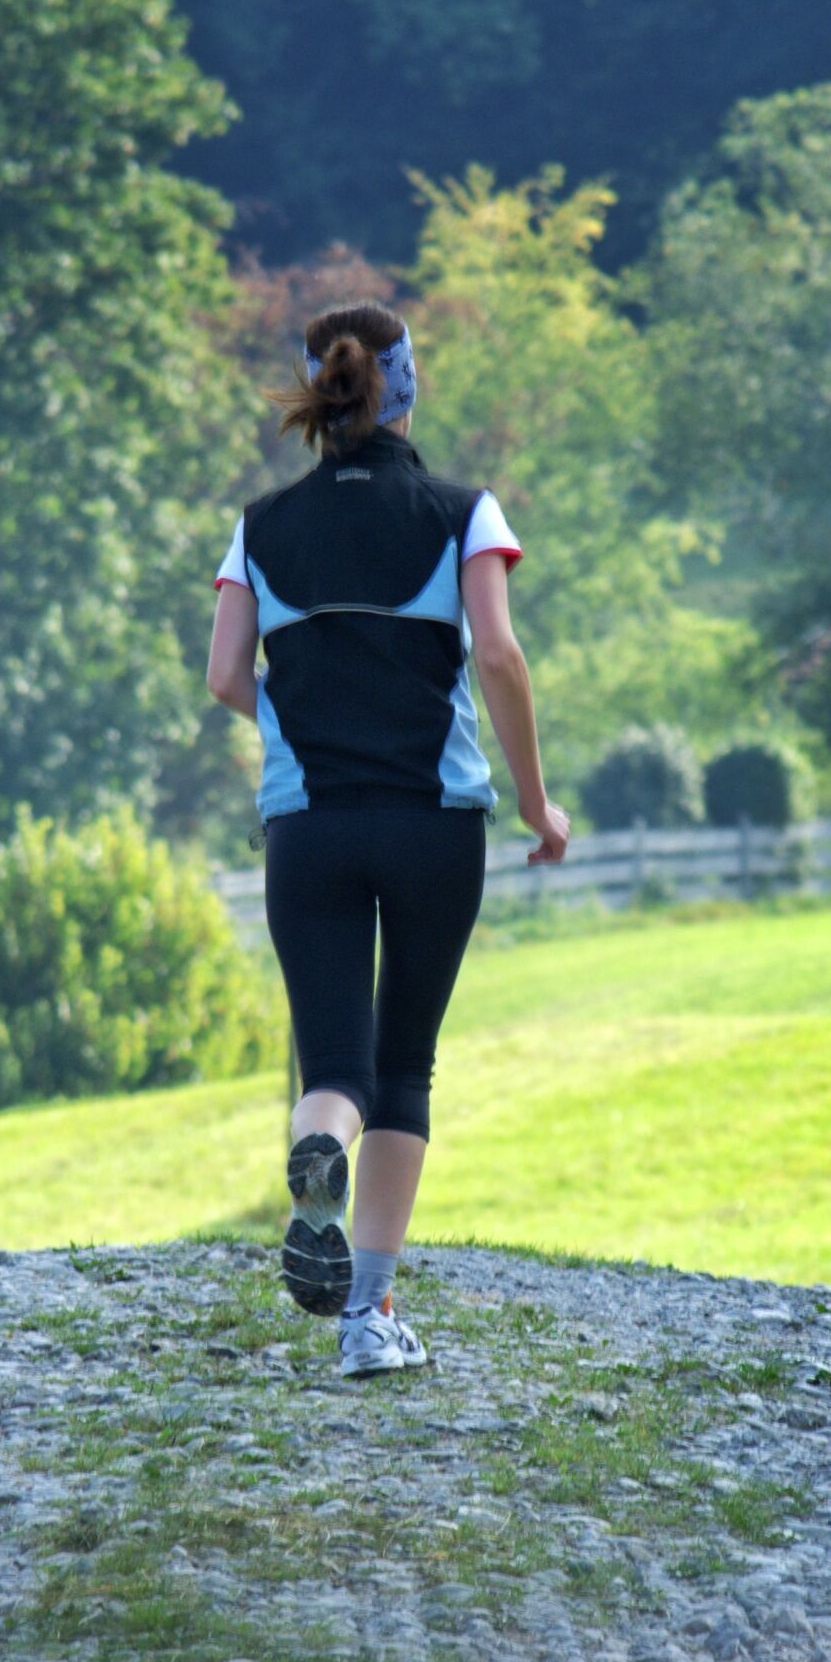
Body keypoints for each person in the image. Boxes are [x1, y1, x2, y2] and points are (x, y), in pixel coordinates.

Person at [206, 302, 568, 1378]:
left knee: (336, 1063)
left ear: (318, 390)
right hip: (431, 826)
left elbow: (226, 676)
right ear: (406, 386)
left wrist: (296, 724)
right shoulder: (463, 510)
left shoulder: (259, 525)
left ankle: (320, 1147)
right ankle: (368, 1320)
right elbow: (497, 658)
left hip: (307, 828)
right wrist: (539, 802)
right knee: (404, 1063)